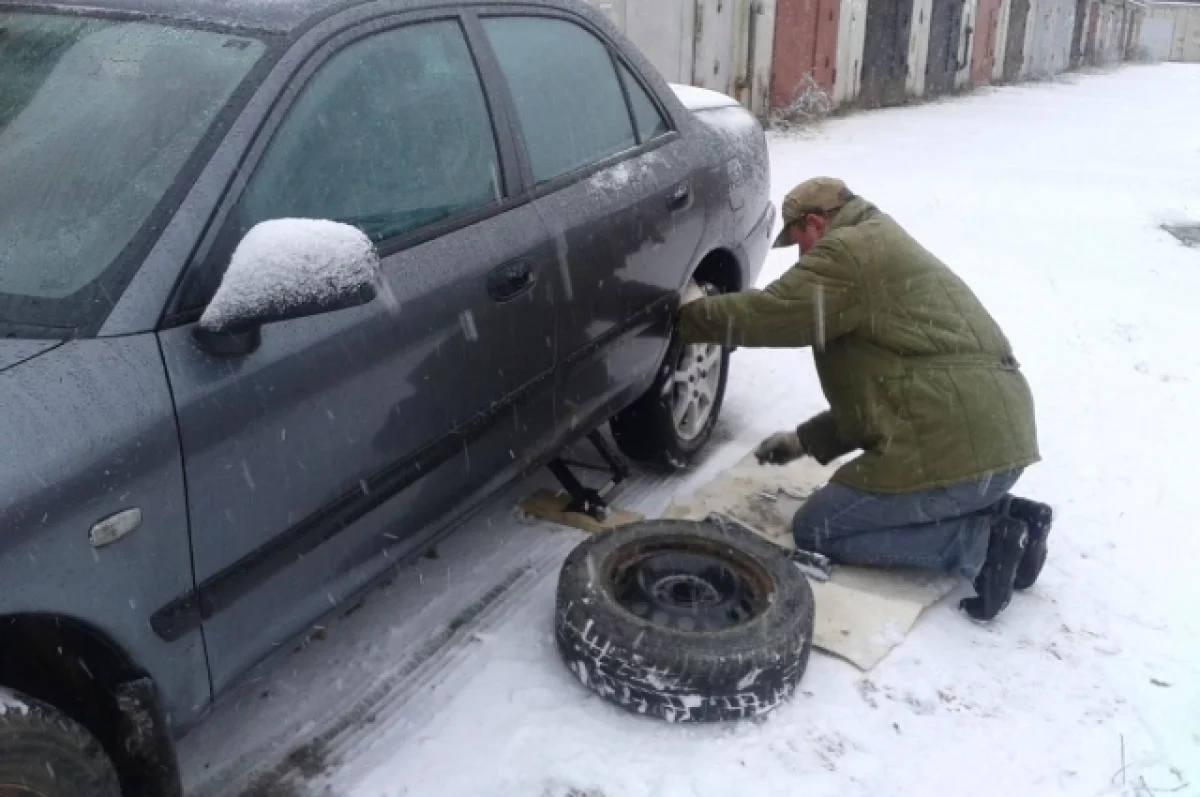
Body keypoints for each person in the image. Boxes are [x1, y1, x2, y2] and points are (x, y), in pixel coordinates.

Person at [677, 177, 1053, 621]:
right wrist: (804, 441)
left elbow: (770, 314)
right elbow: (881, 399)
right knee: (877, 499)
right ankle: (1014, 518)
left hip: (956, 449)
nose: (800, 258)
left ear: (815, 223)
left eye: (798, 243)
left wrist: (687, 318)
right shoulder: (878, 244)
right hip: (995, 446)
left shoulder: (846, 253)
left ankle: (982, 545)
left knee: (820, 528)